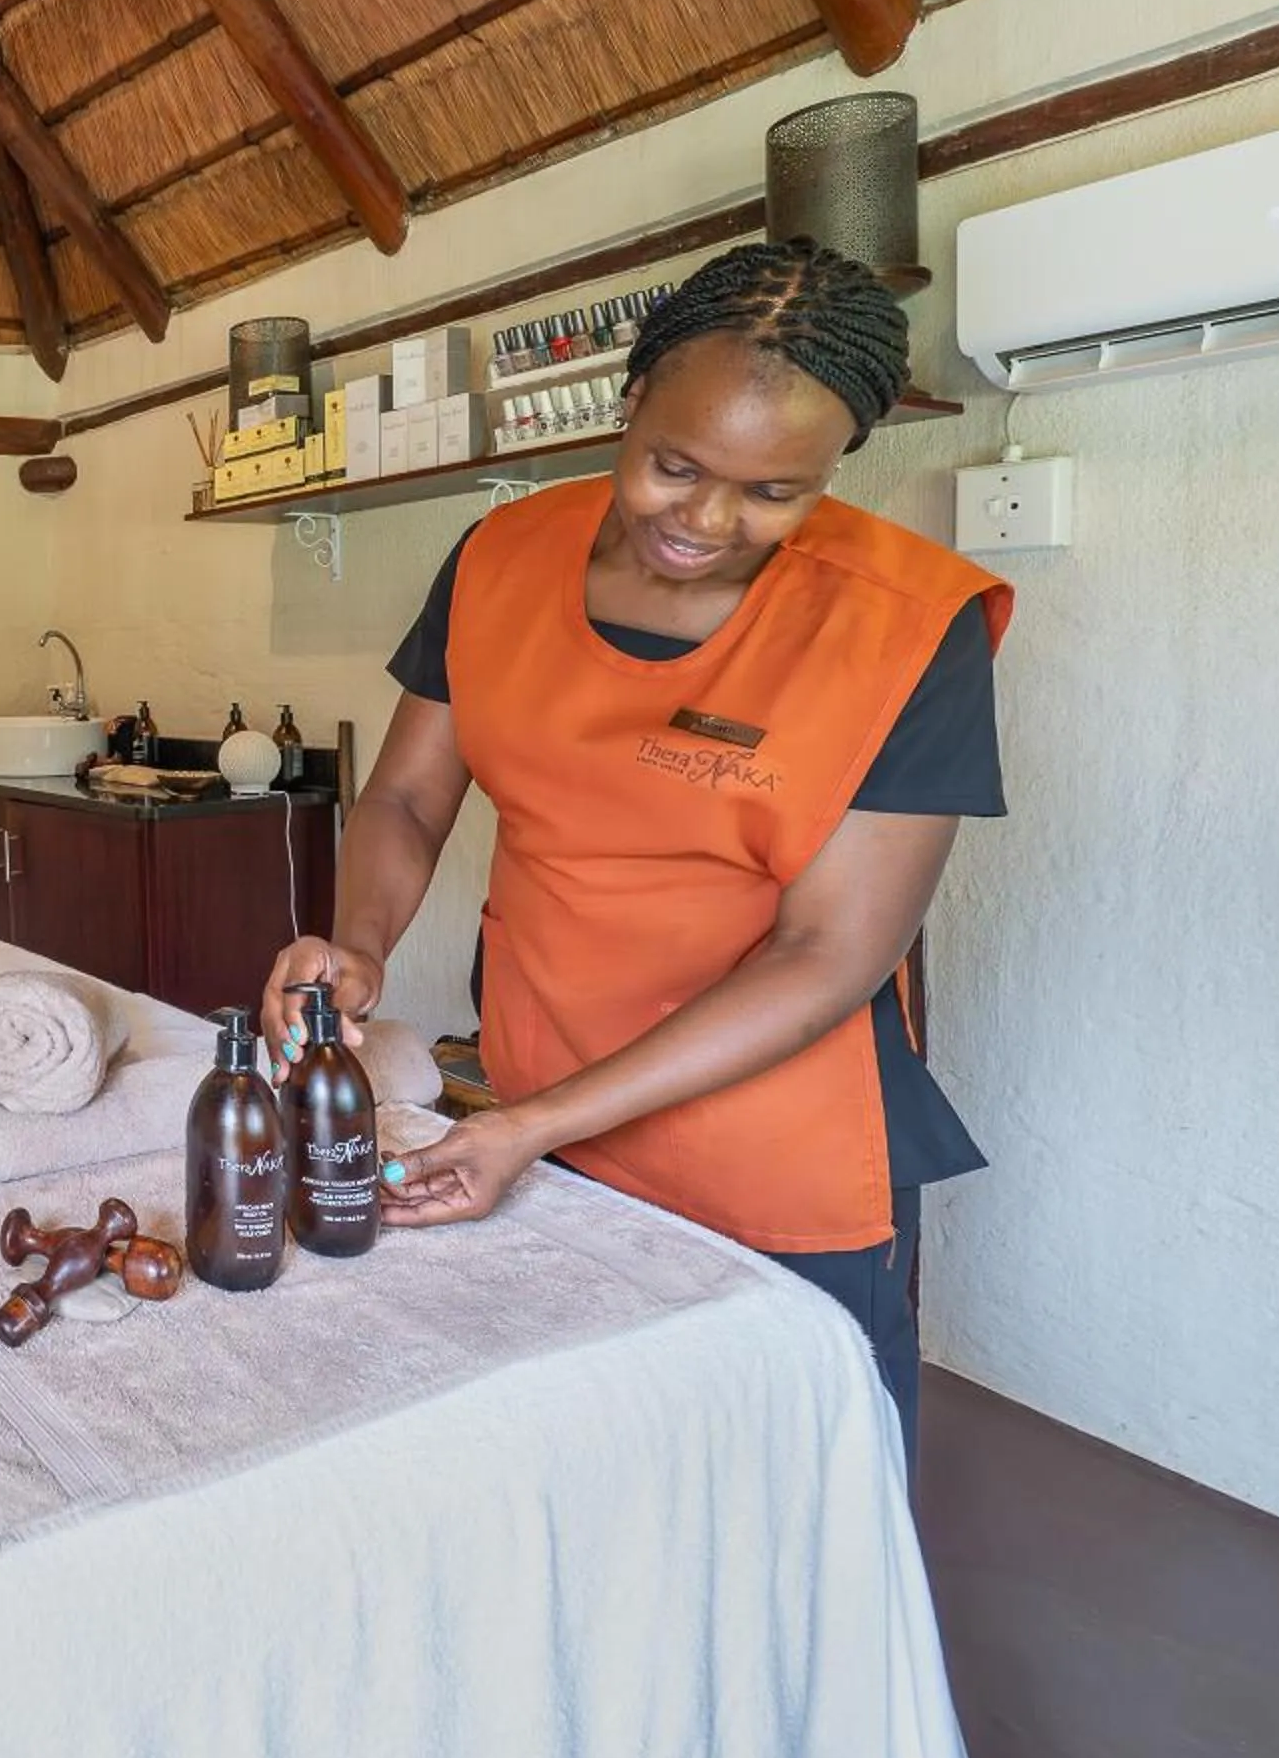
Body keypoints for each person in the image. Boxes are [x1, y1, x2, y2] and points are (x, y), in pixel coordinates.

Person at [261, 240, 1009, 1457]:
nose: (708, 521)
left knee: (790, 1495)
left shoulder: (909, 630)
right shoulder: (501, 558)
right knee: (589, 1470)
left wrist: (533, 1123)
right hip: (534, 1103)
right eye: (675, 465)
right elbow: (404, 800)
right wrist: (356, 947)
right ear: (629, 401)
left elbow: (830, 955)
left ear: (837, 468)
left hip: (772, 1149)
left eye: (775, 493)